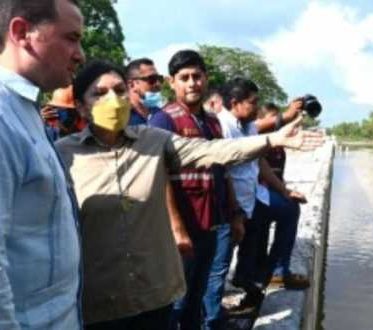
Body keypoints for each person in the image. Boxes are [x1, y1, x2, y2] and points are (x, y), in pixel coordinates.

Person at [55, 60, 317, 330]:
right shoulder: (62, 155)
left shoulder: (153, 140)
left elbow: (213, 151)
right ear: (81, 106)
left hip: (154, 294)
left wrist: (272, 139)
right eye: (100, 94)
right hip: (99, 302)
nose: (114, 101)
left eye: (120, 91)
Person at [0, 0, 85, 328]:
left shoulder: (27, 111)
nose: (80, 54)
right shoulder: (4, 116)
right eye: (71, 38)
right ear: (22, 33)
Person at [152, 50, 244, 330]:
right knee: (175, 301)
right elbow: (159, 178)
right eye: (184, 78)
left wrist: (235, 213)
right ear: (172, 82)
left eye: (197, 76)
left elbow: (223, 172)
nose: (192, 83)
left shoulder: (213, 122)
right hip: (181, 229)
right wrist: (177, 229)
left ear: (206, 79)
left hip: (210, 224)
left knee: (197, 296)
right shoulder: (163, 121)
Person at [218, 78, 314, 313]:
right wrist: (236, 213)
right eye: (253, 102)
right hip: (233, 203)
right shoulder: (222, 126)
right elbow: (224, 172)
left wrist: (284, 190)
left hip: (253, 196)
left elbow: (260, 161)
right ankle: (214, 308)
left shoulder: (247, 125)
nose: (256, 106)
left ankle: (274, 274)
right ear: (235, 103)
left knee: (289, 208)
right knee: (221, 260)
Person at [125, 57, 165, 126]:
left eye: (159, 78)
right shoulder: (123, 117)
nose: (158, 84)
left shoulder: (160, 114)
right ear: (131, 84)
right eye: (152, 79)